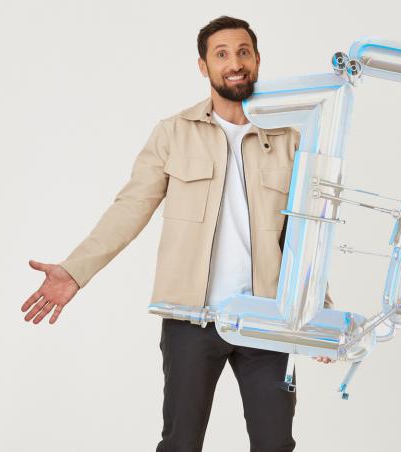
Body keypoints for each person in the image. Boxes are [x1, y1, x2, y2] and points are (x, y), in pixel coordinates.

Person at [20, 16, 329, 452]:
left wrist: (317, 312)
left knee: (276, 443)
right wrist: (75, 271)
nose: (235, 63)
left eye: (243, 52)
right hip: (190, 320)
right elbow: (130, 208)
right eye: (221, 54)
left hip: (267, 320)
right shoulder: (173, 133)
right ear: (204, 66)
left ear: (257, 60)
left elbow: (305, 232)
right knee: (180, 443)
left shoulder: (287, 139)